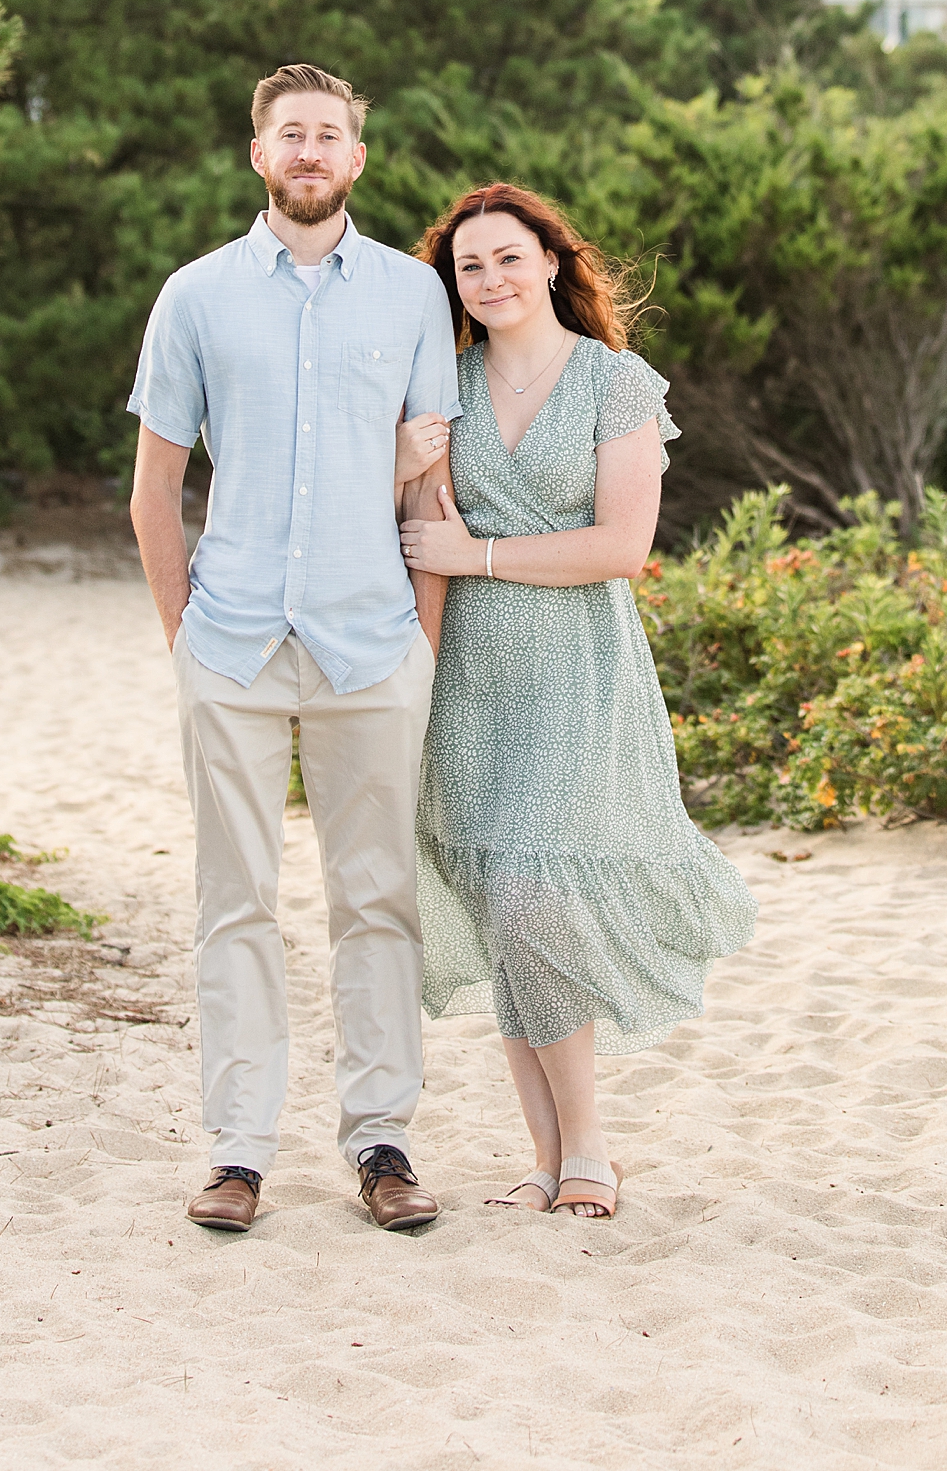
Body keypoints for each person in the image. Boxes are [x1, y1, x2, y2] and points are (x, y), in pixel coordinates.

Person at [127, 62, 460, 1236]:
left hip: (374, 645)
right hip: (231, 642)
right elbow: (155, 491)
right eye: (291, 136)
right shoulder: (198, 297)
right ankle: (237, 1152)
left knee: (377, 901)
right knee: (237, 903)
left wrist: (422, 641)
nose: (311, 153)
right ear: (259, 156)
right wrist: (185, 639)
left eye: (330, 136)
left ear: (356, 161)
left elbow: (436, 483)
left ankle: (381, 1142)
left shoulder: (416, 296)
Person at [395, 181, 757, 1220]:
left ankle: (589, 1149)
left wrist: (483, 553)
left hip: (577, 671)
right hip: (466, 680)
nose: (492, 278)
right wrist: (400, 466)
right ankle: (547, 1160)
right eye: (471, 266)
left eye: (510, 256)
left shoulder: (615, 382)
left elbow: (622, 546)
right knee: (505, 907)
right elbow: (415, 534)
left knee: (533, 894)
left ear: (552, 261)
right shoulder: (443, 391)